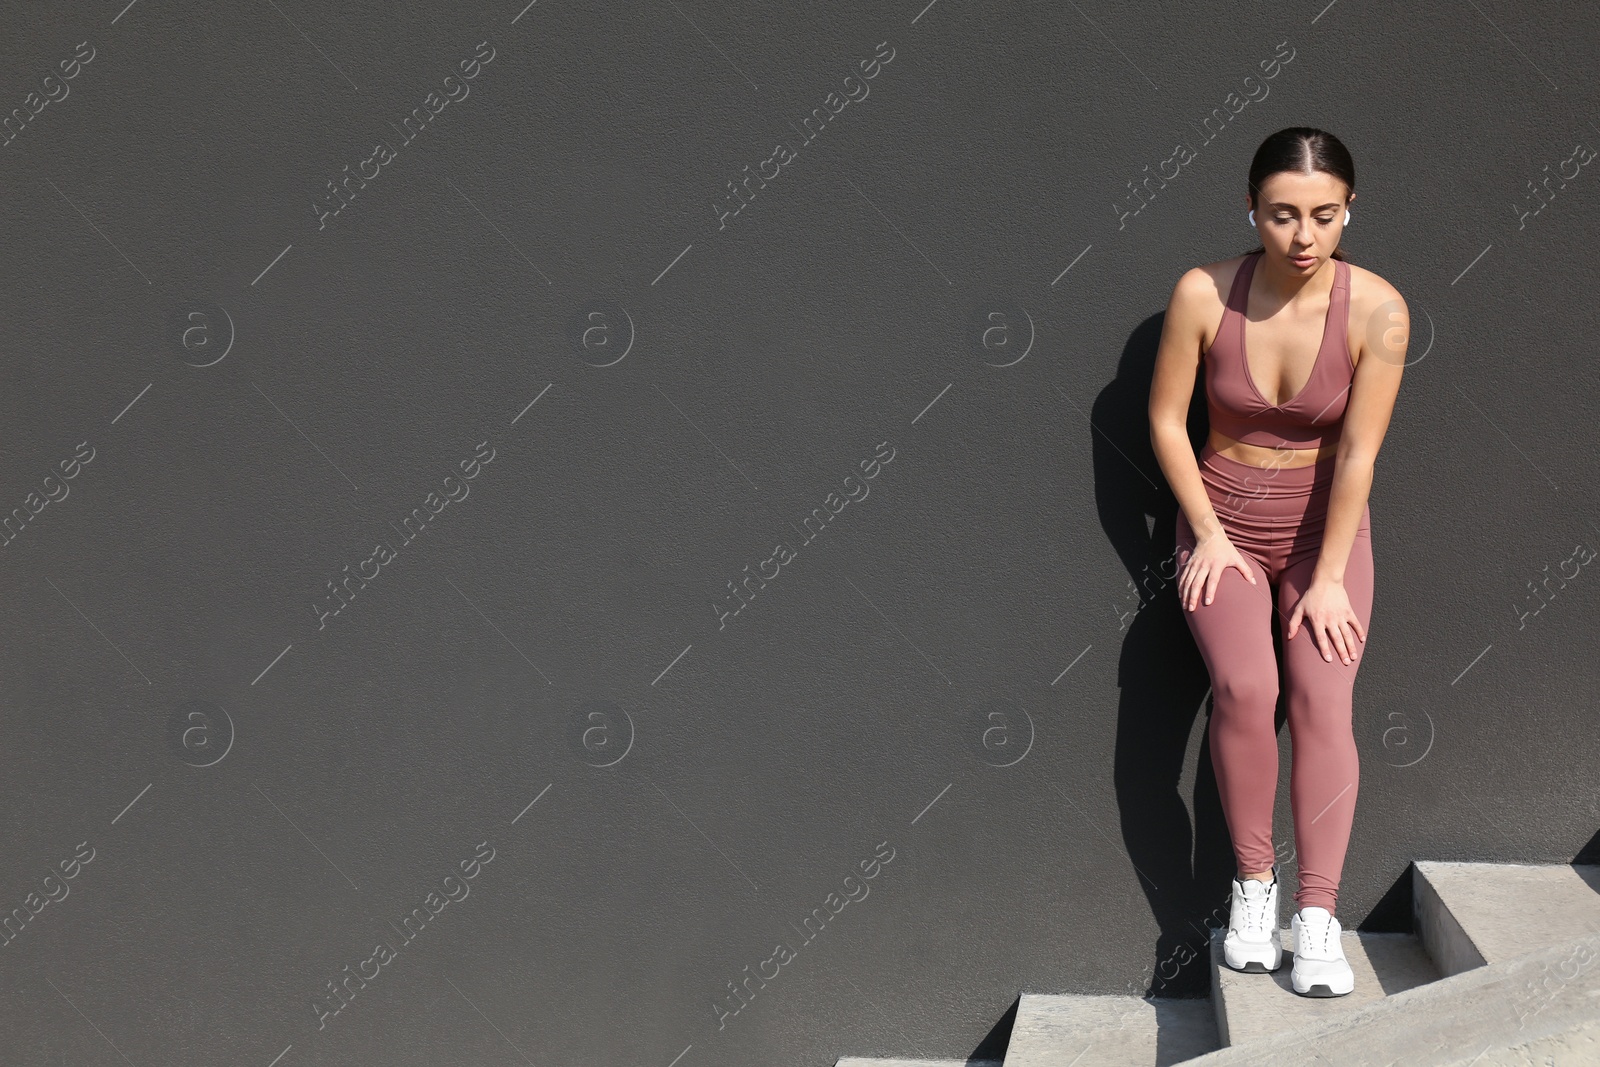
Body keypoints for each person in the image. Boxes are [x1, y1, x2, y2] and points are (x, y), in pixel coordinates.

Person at [1147, 127, 1408, 997]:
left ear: (1350, 211)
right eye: (1283, 214)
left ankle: (1319, 914)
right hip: (1221, 519)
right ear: (1251, 208)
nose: (1303, 236)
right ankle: (1253, 889)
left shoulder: (1378, 310)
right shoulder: (1203, 292)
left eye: (1324, 216)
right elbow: (1163, 422)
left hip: (1321, 532)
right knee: (1247, 690)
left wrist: (1330, 575)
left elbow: (1361, 455)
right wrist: (1209, 532)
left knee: (1324, 696)